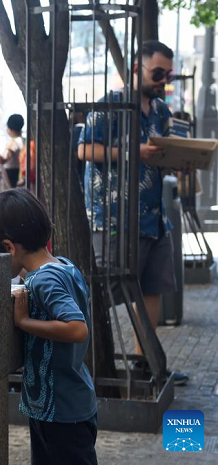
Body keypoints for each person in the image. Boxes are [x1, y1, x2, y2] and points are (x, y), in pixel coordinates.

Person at [77, 40, 188, 385]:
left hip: (154, 216)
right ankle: (88, 363)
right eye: (158, 73)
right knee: (107, 292)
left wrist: (180, 162)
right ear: (137, 69)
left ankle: (145, 364)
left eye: (167, 75)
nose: (163, 81)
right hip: (115, 218)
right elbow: (83, 150)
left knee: (152, 289)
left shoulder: (162, 111)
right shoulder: (110, 105)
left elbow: (161, 157)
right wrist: (133, 151)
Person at [0, 188, 98, 465]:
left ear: (8, 247)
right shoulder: (62, 266)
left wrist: (24, 321)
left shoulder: (43, 280)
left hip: (60, 412)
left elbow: (77, 328)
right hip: (68, 403)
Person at [3, 114, 24, 187]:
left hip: (11, 173)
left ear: (10, 129)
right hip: (19, 171)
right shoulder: (23, 140)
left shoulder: (13, 142)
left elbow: (4, 159)